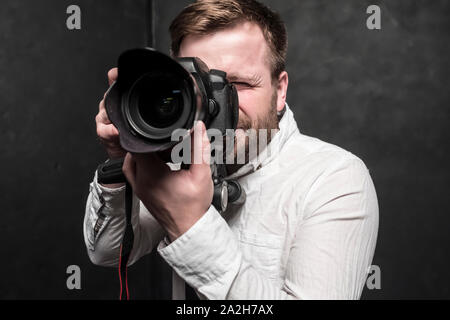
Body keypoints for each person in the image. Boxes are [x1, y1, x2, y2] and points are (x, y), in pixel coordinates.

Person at [84, 0, 379, 300]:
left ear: (280, 90)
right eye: (201, 85)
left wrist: (191, 224)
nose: (218, 104)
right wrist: (125, 157)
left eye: (238, 83)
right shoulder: (172, 156)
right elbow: (108, 251)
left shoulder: (333, 179)